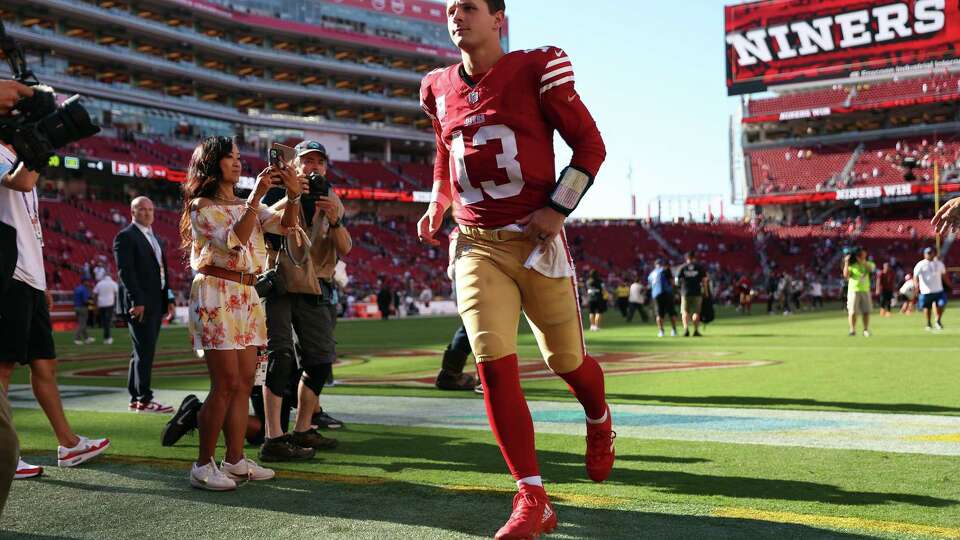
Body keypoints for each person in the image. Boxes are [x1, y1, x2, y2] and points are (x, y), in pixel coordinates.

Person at [417, 1, 613, 537]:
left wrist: (558, 207)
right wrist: (439, 201)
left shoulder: (535, 67)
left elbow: (590, 146)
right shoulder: (436, 86)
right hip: (476, 244)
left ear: (498, 18)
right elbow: (443, 149)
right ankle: (531, 495)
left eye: (471, 7)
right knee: (492, 362)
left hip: (534, 239)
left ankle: (598, 419)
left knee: (566, 361)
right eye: (452, 7)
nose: (458, 15)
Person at [180, 136, 301, 490]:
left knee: (245, 381)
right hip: (217, 292)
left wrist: (293, 195)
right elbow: (233, 240)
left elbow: (286, 226)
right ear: (212, 163)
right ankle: (202, 464)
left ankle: (234, 460)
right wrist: (256, 197)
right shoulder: (201, 205)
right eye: (229, 158)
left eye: (237, 157)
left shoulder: (241, 202)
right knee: (226, 384)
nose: (237, 163)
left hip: (246, 293)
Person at [0, 120, 110, 480]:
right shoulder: (5, 156)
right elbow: (22, 182)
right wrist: (40, 149)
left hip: (29, 276)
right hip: (9, 274)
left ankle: (68, 442)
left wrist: (42, 278)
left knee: (45, 365)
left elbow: (29, 224)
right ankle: (3, 454)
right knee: (2, 368)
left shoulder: (17, 156)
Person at [259, 140, 352, 462]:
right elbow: (262, 223)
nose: (313, 167)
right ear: (295, 165)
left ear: (326, 167)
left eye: (319, 162)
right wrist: (292, 195)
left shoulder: (331, 196)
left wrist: (335, 219)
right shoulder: (274, 188)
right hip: (282, 283)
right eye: (307, 161)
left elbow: (346, 247)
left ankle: (302, 428)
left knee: (320, 361)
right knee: (280, 357)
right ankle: (274, 436)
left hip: (316, 286)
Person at [114, 196, 176, 413]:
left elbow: (162, 272)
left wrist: (167, 298)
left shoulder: (155, 238)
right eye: (142, 209)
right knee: (145, 351)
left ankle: (136, 397)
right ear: (132, 212)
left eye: (150, 209)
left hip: (155, 301)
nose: (148, 213)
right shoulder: (126, 236)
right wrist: (137, 301)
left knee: (140, 352)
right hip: (140, 304)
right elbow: (126, 272)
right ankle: (144, 399)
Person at [436, 227, 482, 392]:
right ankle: (485, 378)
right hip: (475, 275)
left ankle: (451, 373)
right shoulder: (477, 223)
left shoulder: (461, 226)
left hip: (462, 277)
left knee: (473, 325)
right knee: (485, 325)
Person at [913, 247, 950, 331]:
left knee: (942, 304)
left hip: (938, 290)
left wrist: (949, 284)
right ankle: (928, 323)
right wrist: (916, 285)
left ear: (934, 253)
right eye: (928, 253)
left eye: (931, 253)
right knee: (927, 307)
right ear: (924, 254)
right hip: (926, 290)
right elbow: (915, 276)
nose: (930, 254)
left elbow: (944, 275)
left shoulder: (939, 263)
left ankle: (938, 320)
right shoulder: (920, 264)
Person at [843, 248, 875, 336]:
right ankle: (852, 329)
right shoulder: (852, 265)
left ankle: (866, 329)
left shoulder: (869, 263)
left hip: (865, 290)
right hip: (853, 290)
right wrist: (846, 262)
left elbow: (871, 269)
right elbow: (846, 275)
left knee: (866, 311)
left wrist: (863, 261)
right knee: (853, 311)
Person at [676, 251, 708, 337]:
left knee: (685, 312)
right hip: (697, 292)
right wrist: (705, 292)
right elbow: (705, 281)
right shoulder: (699, 267)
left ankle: (686, 329)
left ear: (686, 258)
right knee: (696, 312)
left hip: (685, 292)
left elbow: (676, 282)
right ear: (694, 258)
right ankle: (696, 330)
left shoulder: (682, 268)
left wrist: (679, 290)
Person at [649, 259, 678, 337]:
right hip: (667, 293)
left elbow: (650, 285)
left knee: (659, 314)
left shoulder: (651, 274)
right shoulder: (665, 270)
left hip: (656, 295)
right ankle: (674, 330)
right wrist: (674, 291)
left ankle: (661, 331)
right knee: (671, 312)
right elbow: (672, 282)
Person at [93, 273, 119, 344]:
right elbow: (117, 293)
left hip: (101, 304)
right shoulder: (113, 283)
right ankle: (108, 337)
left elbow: (95, 294)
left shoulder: (99, 283)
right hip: (110, 304)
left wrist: (95, 305)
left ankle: (106, 337)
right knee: (108, 321)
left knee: (104, 322)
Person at [72, 280, 94, 345]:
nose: (88, 283)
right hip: (82, 308)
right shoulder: (84, 289)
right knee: (82, 324)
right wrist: (92, 302)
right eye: (87, 281)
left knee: (82, 323)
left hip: (76, 307)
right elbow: (85, 300)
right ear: (84, 282)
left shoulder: (77, 288)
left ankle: (87, 338)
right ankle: (77, 338)